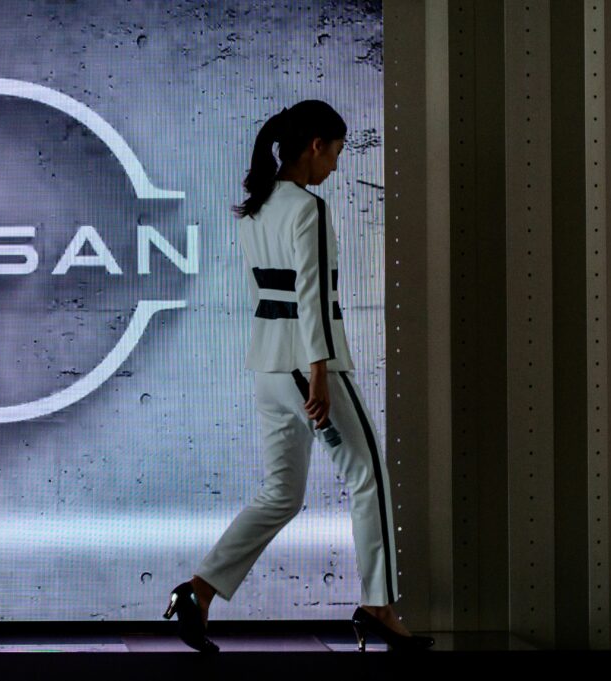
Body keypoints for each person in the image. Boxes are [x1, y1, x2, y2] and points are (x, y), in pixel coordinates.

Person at [163, 100, 434, 653]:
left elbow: (276, 292)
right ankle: (379, 606)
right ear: (315, 146)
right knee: (369, 476)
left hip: (268, 365)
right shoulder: (308, 207)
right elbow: (311, 295)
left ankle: (199, 590)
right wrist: (319, 373)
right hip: (306, 366)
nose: (334, 165)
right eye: (335, 153)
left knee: (282, 495)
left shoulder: (257, 207)